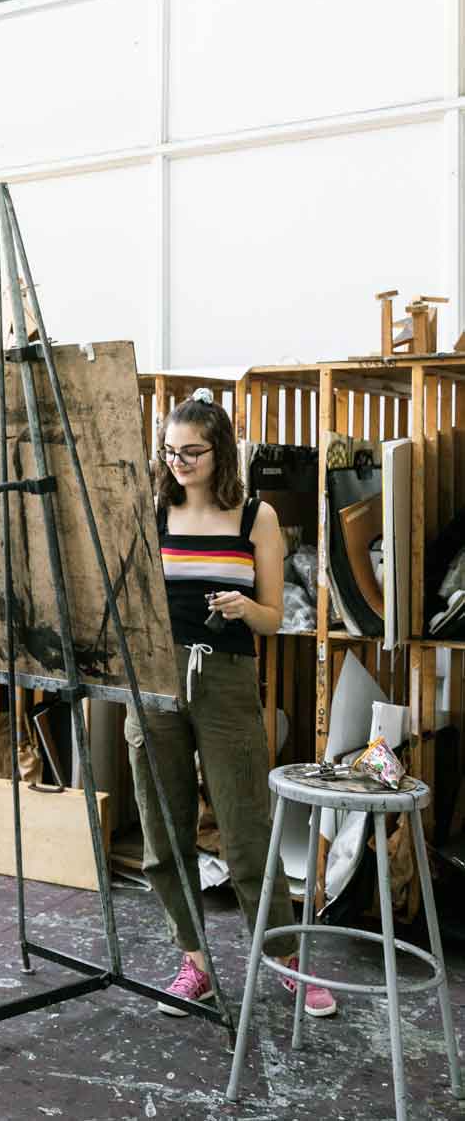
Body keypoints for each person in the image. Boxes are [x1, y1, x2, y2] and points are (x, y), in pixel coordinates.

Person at [126, 389, 336, 1018]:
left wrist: (247, 609)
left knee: (246, 831)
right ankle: (193, 964)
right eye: (169, 452)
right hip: (156, 679)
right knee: (164, 834)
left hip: (226, 681)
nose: (178, 463)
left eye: (192, 452)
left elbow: (274, 616)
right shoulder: (151, 512)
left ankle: (285, 960)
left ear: (221, 452)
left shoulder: (255, 518)